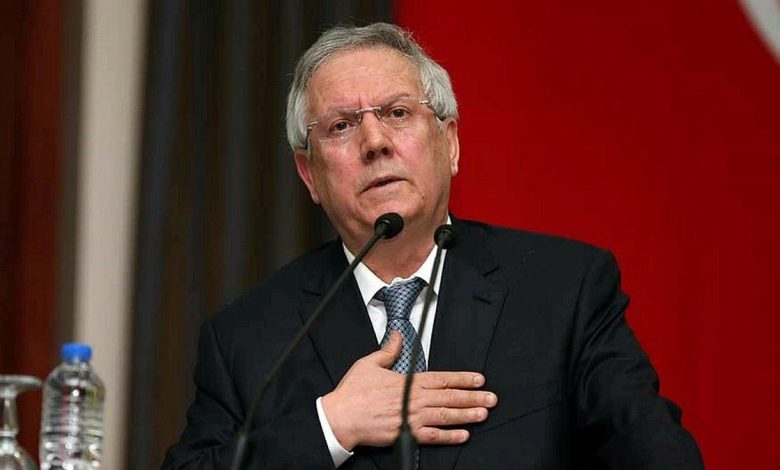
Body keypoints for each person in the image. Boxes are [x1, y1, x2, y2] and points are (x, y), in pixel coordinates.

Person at [163, 23, 703, 469]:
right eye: (342, 126)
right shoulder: (248, 338)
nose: (375, 142)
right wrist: (331, 426)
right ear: (309, 174)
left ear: (450, 143)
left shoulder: (563, 290)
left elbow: (655, 453)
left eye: (397, 113)